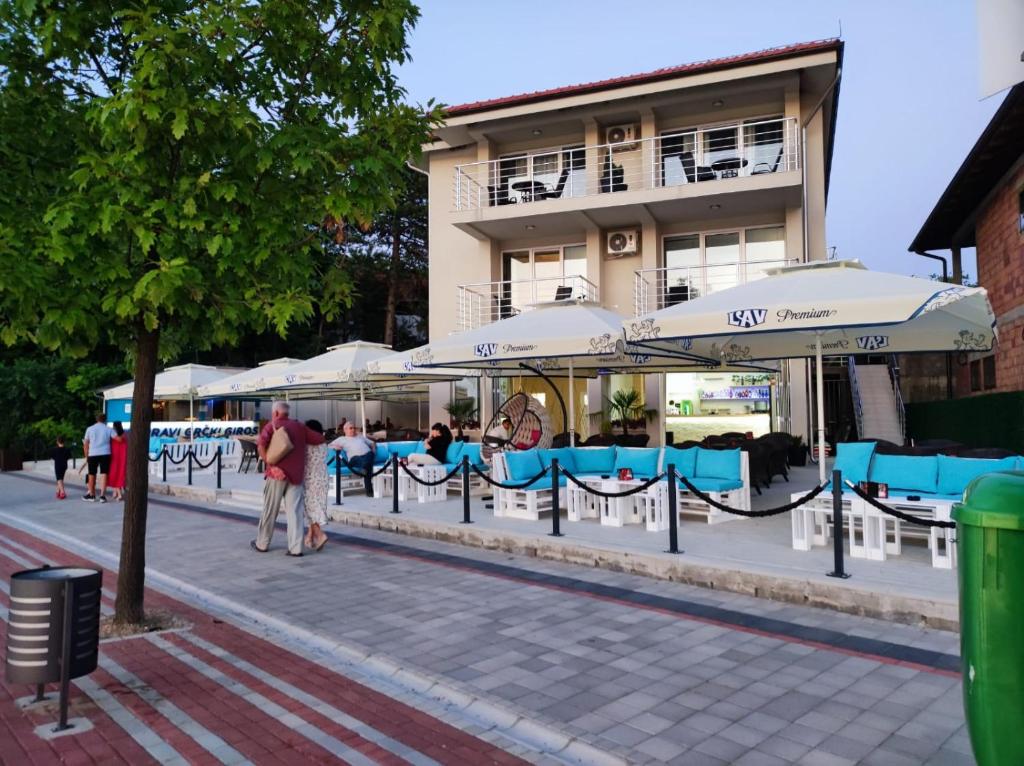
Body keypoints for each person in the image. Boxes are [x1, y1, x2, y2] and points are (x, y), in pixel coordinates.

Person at [252, 401, 324, 557]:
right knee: (295, 513)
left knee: (270, 510)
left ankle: (262, 543)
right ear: (287, 413)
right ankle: (296, 548)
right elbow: (319, 439)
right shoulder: (299, 427)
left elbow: (260, 446)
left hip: (276, 475)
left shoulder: (271, 426)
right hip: (296, 476)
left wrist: (270, 463)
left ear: (276, 413)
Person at [302, 419, 329, 552]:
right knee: (315, 506)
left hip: (310, 478)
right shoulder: (323, 444)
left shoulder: (307, 445)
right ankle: (310, 535)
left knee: (309, 507)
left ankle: (320, 535)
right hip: (322, 478)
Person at [328, 421, 376, 496]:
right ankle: (369, 491)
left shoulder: (360, 436)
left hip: (367, 455)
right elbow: (329, 445)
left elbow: (372, 443)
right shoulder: (342, 439)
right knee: (367, 464)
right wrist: (336, 447)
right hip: (354, 459)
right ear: (345, 430)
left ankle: (365, 469)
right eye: (351, 428)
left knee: (369, 456)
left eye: (354, 428)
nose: (353, 430)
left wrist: (373, 449)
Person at [82, 412, 112, 503]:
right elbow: (118, 438)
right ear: (105, 419)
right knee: (104, 474)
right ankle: (102, 496)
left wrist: (86, 456)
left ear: (96, 419)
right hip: (105, 453)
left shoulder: (89, 429)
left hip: (93, 454)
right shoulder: (108, 429)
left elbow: (86, 444)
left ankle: (92, 495)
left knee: (91, 474)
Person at [108, 422, 128, 501]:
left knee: (114, 474)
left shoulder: (114, 436)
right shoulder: (125, 435)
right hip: (122, 457)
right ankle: (116, 492)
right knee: (120, 474)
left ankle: (119, 493)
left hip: (115, 457)